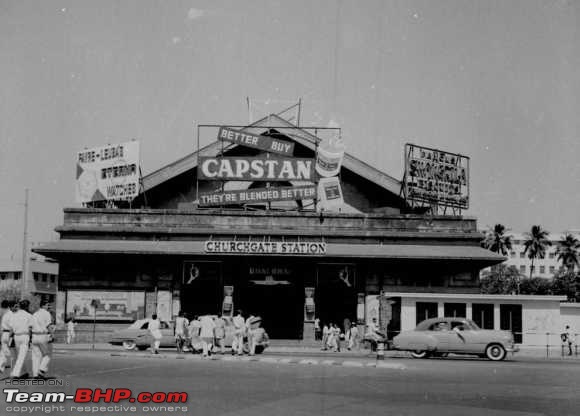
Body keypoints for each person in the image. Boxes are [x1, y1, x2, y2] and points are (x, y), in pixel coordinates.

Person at [9, 299, 33, 378]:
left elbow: (11, 329)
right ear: (27, 306)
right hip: (24, 336)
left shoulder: (14, 315)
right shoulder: (29, 315)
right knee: (21, 356)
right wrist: (31, 339)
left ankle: (24, 372)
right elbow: (30, 329)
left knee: (20, 355)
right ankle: (15, 373)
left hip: (16, 336)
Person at [31, 300, 53, 379]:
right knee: (47, 354)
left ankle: (35, 374)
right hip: (43, 335)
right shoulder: (46, 313)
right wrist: (52, 335)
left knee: (36, 356)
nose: (49, 307)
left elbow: (30, 327)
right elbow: (48, 326)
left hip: (34, 336)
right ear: (43, 305)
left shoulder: (35, 314)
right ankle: (42, 369)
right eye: (48, 305)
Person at [0, 300, 16, 375]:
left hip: (4, 334)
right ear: (10, 306)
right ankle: (13, 371)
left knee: (3, 352)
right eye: (15, 306)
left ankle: (0, 367)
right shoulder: (12, 315)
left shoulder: (5, 314)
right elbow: (13, 327)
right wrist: (11, 336)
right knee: (13, 353)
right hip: (10, 334)